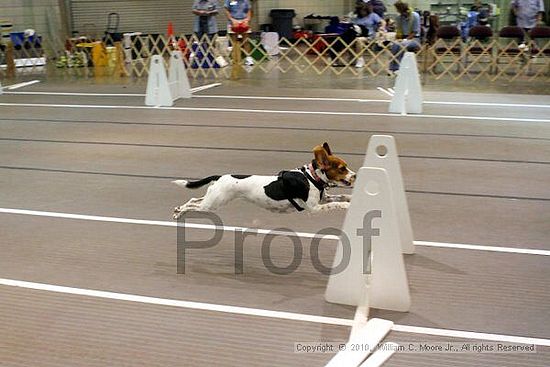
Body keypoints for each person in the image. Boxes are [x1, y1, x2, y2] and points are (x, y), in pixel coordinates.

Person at [388, 1, 421, 76]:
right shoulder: (399, 17)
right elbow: (399, 31)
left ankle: (399, 67)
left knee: (402, 45)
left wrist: (405, 39)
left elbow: (415, 32)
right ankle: (392, 68)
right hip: (403, 37)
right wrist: (397, 39)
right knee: (395, 45)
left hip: (414, 39)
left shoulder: (415, 16)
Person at [224, 0, 254, 66]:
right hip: (233, 21)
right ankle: (234, 58)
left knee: (246, 41)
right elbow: (227, 11)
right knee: (234, 41)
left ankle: (248, 58)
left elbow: (249, 11)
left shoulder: (246, 1)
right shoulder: (228, 1)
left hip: (244, 21)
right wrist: (232, 20)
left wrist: (247, 20)